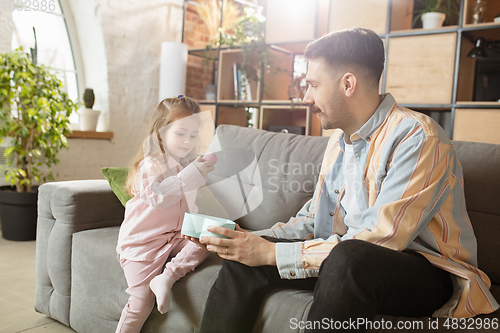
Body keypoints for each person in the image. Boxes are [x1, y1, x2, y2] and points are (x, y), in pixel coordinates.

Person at [193, 28, 499, 332]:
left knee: (345, 258)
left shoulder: (417, 137)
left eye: (313, 84)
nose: (305, 97)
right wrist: (246, 241)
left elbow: (383, 238)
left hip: (427, 271)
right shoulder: (339, 143)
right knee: (247, 259)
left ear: (347, 84)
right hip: (349, 259)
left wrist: (273, 253)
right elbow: (313, 221)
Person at [115, 96, 215, 333]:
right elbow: (158, 198)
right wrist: (191, 174)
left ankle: (167, 278)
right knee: (141, 302)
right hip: (143, 244)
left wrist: (198, 226)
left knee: (206, 237)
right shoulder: (150, 165)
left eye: (193, 135)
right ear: (160, 132)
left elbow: (188, 206)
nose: (187, 141)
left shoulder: (184, 166)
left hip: (174, 238)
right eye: (181, 133)